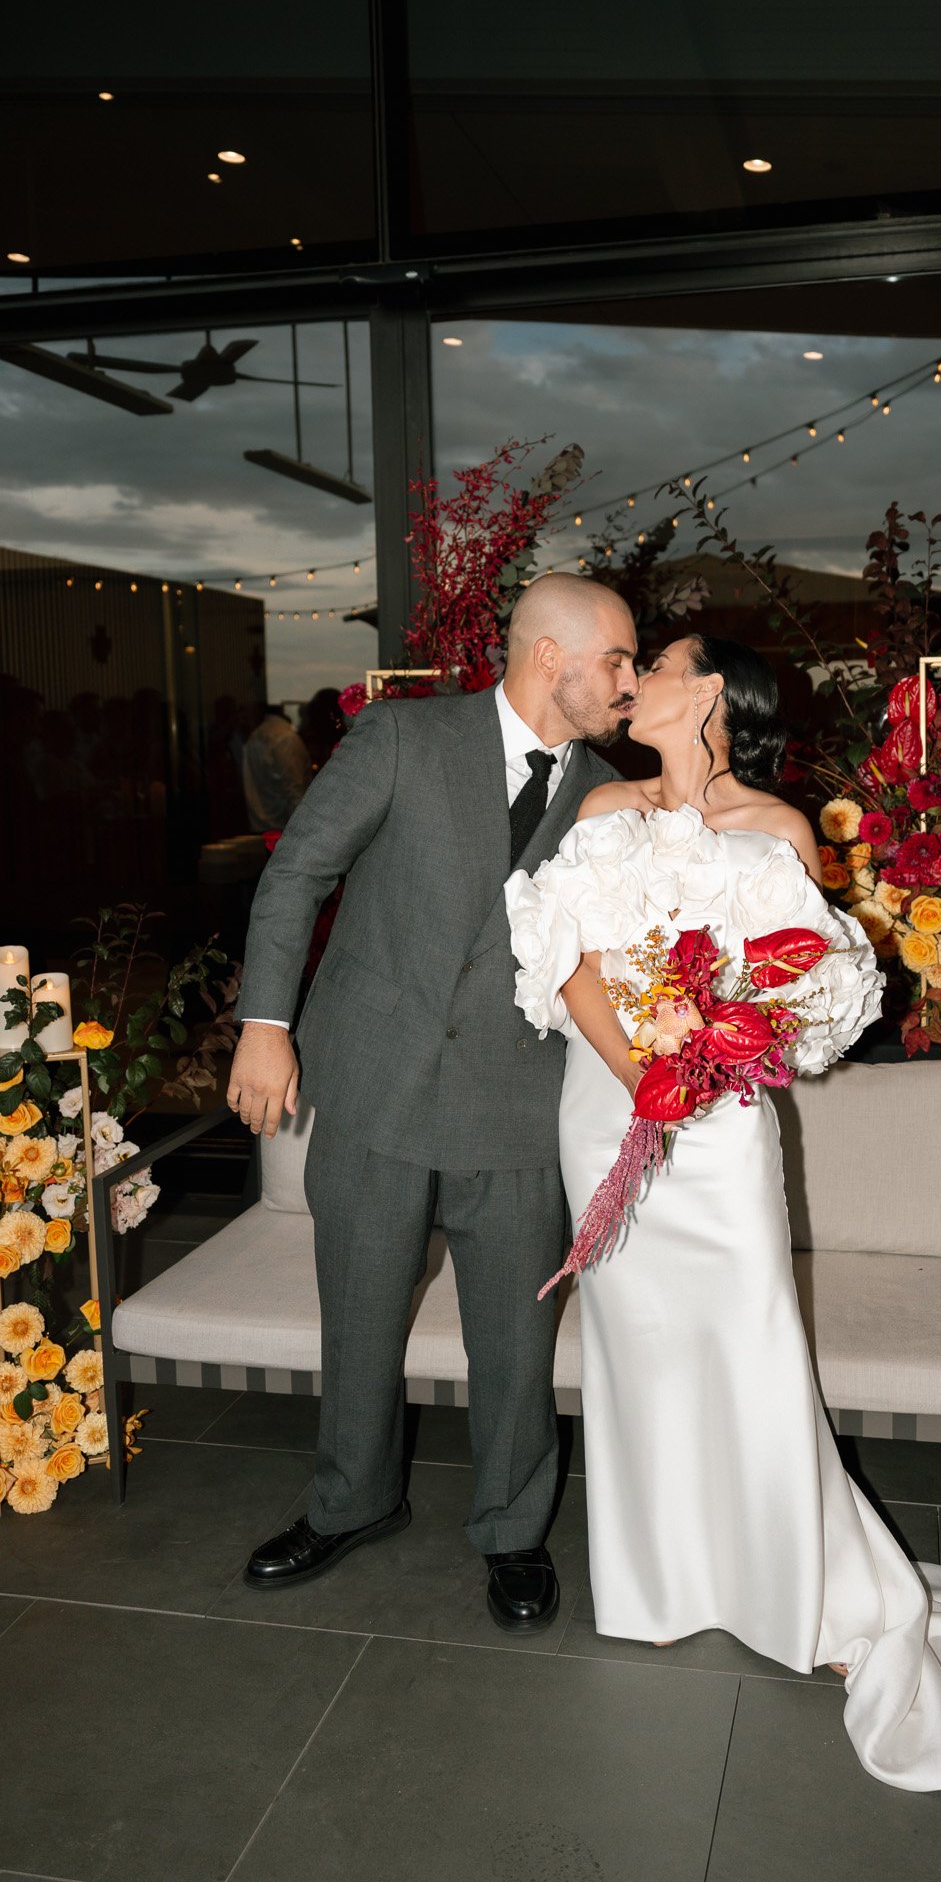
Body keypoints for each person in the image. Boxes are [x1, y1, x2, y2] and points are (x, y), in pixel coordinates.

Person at [504, 633, 941, 1791]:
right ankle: (659, 1584)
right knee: (639, 1351)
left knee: (747, 1344)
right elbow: (555, 951)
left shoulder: (777, 831)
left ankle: (799, 1589)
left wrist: (712, 1051)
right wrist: (639, 1070)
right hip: (607, 1115)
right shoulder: (600, 802)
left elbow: (820, 994)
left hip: (717, 1140)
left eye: (656, 663)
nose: (633, 682)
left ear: (712, 691)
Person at [226, 573, 638, 1631]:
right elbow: (297, 874)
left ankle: (512, 1529)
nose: (629, 684)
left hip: (516, 1103)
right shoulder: (403, 738)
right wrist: (265, 1024)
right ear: (551, 655)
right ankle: (349, 1500)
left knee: (515, 1342)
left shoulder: (607, 793)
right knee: (358, 1314)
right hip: (372, 1081)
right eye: (619, 660)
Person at [241, 701, 313, 833]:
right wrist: (309, 829)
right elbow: (294, 790)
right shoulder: (284, 737)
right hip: (282, 829)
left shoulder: (257, 735)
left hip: (263, 827)